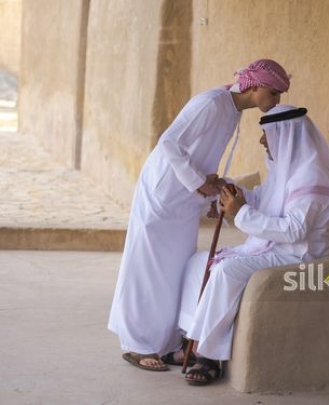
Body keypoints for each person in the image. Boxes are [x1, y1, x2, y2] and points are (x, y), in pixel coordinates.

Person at [108, 59, 291, 372]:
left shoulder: (232, 110)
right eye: (273, 93)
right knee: (148, 268)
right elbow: (169, 143)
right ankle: (136, 344)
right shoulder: (211, 102)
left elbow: (200, 154)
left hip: (184, 199)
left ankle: (166, 344)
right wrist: (198, 183)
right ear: (256, 86)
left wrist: (209, 190)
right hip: (163, 194)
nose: (276, 100)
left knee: (173, 270)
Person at [177, 104, 329, 385]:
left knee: (227, 270)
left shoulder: (311, 178)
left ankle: (209, 356)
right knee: (199, 262)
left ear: (286, 135)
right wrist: (234, 194)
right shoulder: (285, 170)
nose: (262, 140)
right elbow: (264, 201)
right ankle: (190, 341)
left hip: (298, 257)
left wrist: (240, 212)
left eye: (267, 133)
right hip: (273, 249)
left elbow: (294, 230)